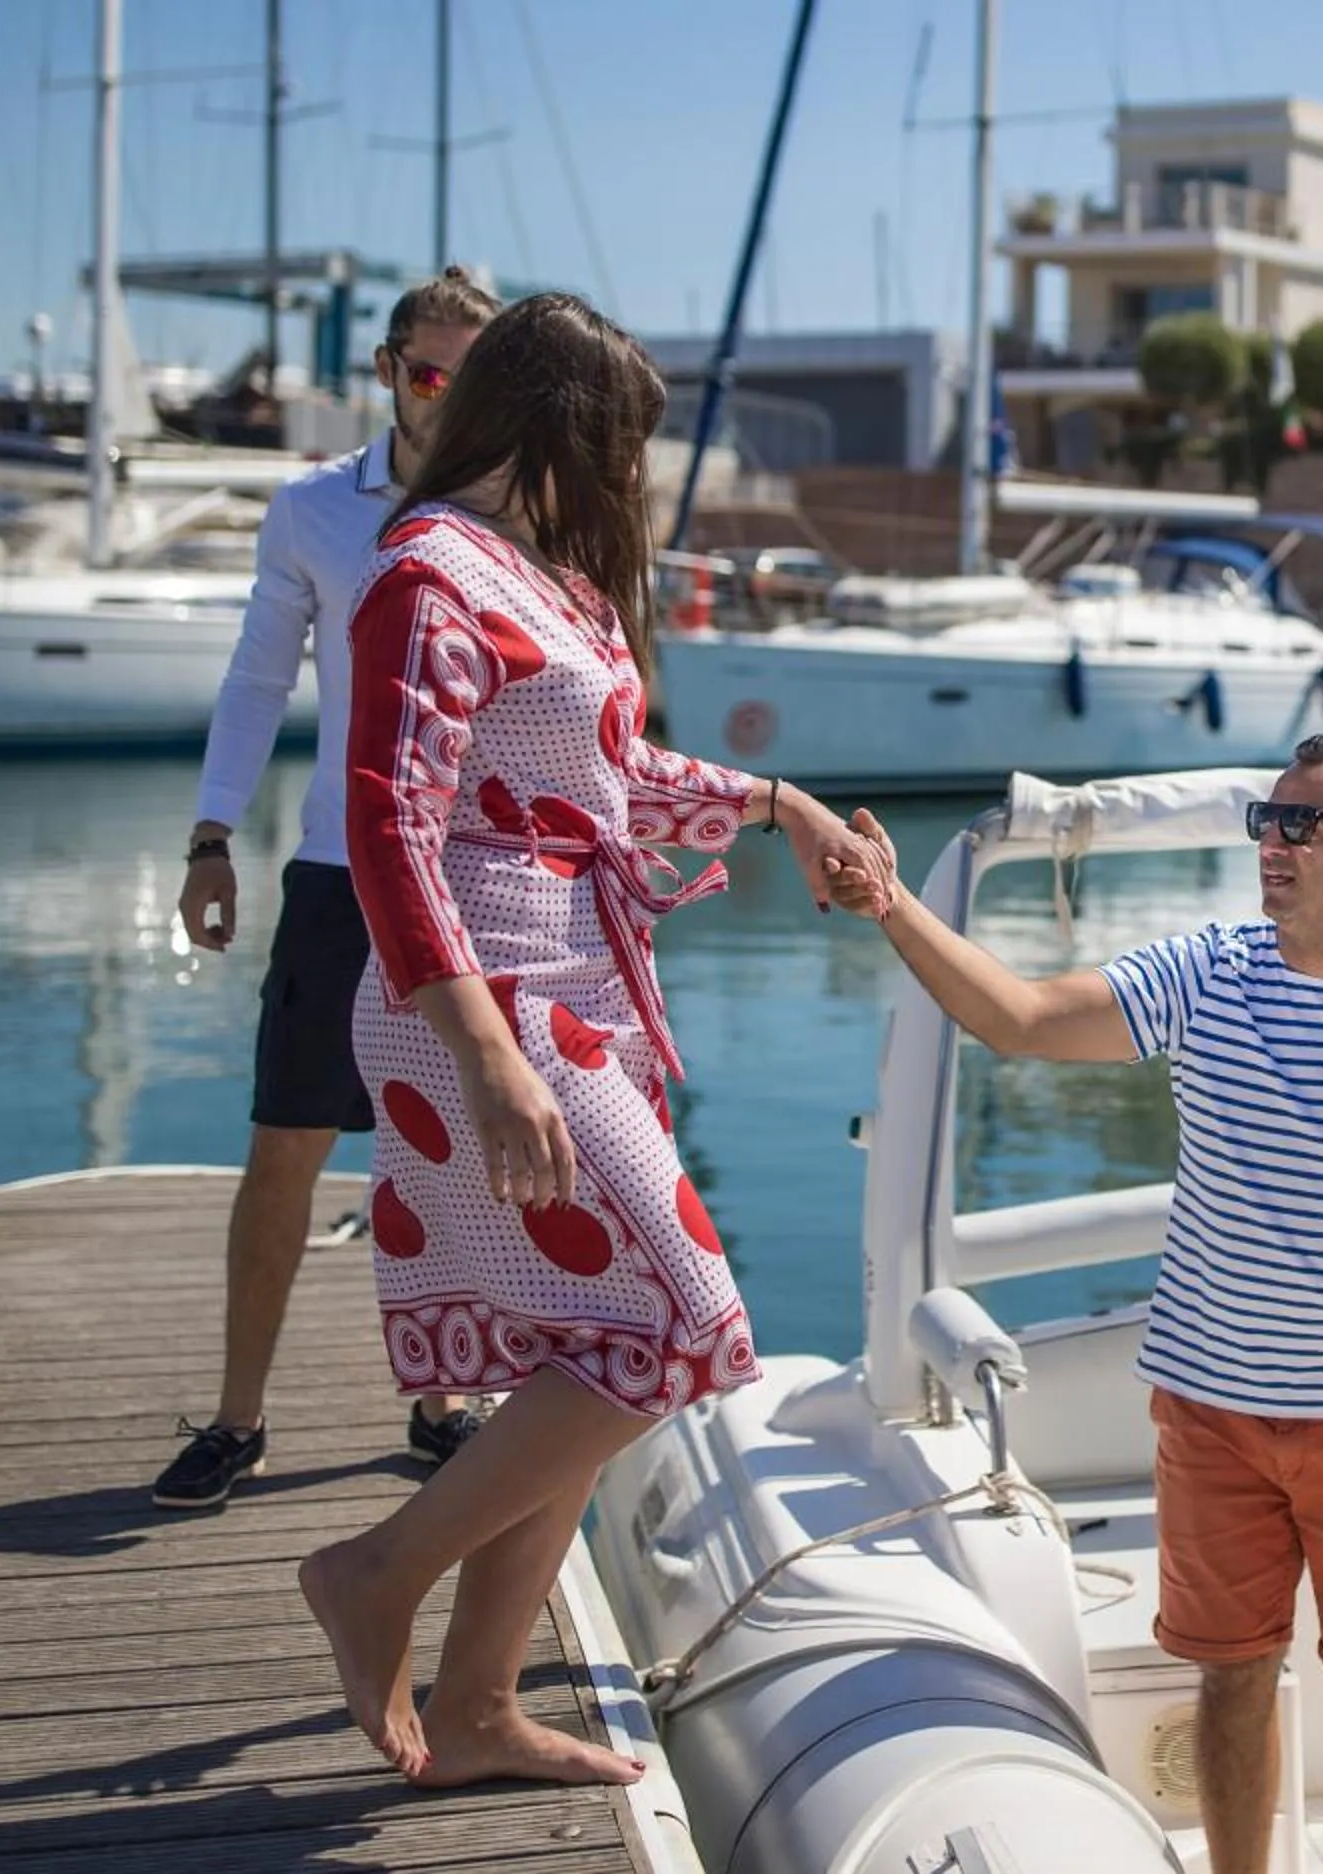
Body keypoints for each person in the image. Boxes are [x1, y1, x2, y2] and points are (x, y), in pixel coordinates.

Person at [297, 291, 887, 1786]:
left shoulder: (555, 583)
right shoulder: (426, 575)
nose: (635, 474)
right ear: (561, 425)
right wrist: (491, 1056)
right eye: (624, 441)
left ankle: (484, 1699)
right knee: (687, 1325)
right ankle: (375, 1573)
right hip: (482, 998)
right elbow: (387, 823)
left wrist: (778, 804)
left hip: (580, 983)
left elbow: (609, 780)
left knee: (594, 1343)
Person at [826, 734, 1323, 1874]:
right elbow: (1022, 1015)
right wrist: (890, 905)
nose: (1269, 846)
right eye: (1264, 821)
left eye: (1298, 827)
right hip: (1209, 1409)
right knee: (1230, 1671)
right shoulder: (1208, 971)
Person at [156, 267, 505, 1511]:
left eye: (481, 376)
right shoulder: (313, 510)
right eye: (430, 371)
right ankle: (238, 1418)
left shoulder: (524, 506)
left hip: (483, 884)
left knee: (463, 1150)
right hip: (339, 876)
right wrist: (209, 838)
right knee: (287, 1145)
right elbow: (258, 681)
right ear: (388, 370)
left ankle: (444, 1400)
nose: (451, 398)